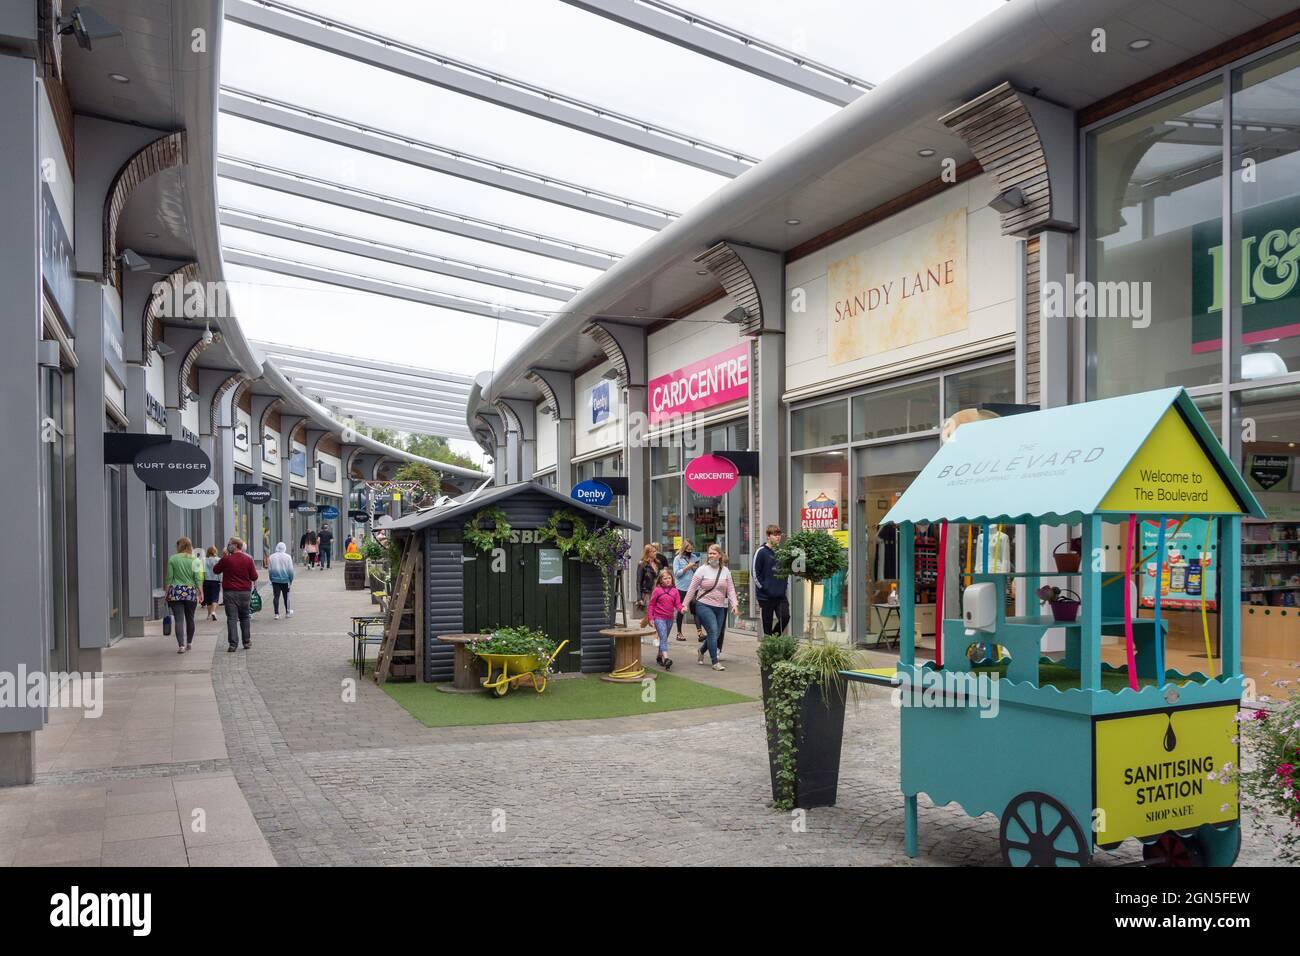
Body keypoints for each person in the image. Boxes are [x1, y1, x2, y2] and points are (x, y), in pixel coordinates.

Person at [683, 543, 738, 671]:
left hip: (720, 607)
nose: (711, 555)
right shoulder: (702, 570)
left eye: (714, 553)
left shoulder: (725, 571)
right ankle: (715, 662)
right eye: (709, 553)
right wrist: (685, 604)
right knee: (713, 631)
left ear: (720, 555)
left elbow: (731, 590)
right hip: (704, 605)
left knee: (716, 634)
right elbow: (692, 589)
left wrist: (734, 604)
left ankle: (702, 650)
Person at [214, 536, 258, 652]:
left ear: (235, 545)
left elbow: (216, 570)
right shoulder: (248, 559)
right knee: (245, 617)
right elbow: (254, 576)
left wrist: (224, 559)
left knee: (232, 618)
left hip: (230, 593)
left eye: (230, 544)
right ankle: (246, 641)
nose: (228, 546)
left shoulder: (226, 559)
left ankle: (233, 644)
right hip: (245, 593)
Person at [753, 524, 791, 639]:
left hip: (780, 595)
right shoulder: (761, 552)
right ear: (768, 536)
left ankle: (773, 640)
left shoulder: (782, 553)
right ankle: (769, 643)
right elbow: (755, 573)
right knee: (767, 624)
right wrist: (764, 588)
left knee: (785, 617)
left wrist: (785, 586)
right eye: (775, 535)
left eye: (779, 534)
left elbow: (786, 571)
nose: (778, 537)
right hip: (765, 596)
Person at [165, 537, 202, 654]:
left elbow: (169, 578)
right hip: (190, 592)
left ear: (179, 546)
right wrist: (201, 593)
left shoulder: (173, 559)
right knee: (190, 618)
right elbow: (197, 578)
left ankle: (181, 645)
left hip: (176, 592)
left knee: (179, 620)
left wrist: (167, 593)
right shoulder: (195, 560)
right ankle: (189, 643)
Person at [645, 568, 679, 670]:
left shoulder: (675, 591)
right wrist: (651, 618)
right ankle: (666, 659)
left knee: (664, 638)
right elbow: (651, 605)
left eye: (669, 578)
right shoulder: (657, 590)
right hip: (659, 618)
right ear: (660, 580)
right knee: (663, 637)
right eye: (665, 578)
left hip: (670, 619)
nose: (668, 580)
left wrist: (682, 609)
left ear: (672, 579)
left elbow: (677, 604)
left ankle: (659, 656)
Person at [672, 540, 700, 641]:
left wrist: (695, 568)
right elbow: (676, 574)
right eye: (688, 549)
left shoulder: (694, 557)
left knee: (696, 610)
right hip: (682, 588)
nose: (690, 551)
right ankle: (679, 633)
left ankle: (700, 632)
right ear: (684, 548)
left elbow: (698, 571)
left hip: (694, 587)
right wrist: (687, 567)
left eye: (691, 549)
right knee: (681, 610)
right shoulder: (677, 559)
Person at [268, 542, 295, 619]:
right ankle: (287, 612)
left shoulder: (271, 557)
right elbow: (291, 571)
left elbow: (270, 570)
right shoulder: (288, 557)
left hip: (275, 580)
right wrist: (291, 580)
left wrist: (271, 579)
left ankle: (276, 614)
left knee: (276, 596)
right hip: (285, 580)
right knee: (286, 597)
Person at [202, 545, 222, 621]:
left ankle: (208, 614)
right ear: (215, 552)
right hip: (216, 581)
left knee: (208, 598)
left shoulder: (204, 560)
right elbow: (220, 572)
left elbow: (202, 571)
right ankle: (213, 612)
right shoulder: (218, 560)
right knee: (215, 597)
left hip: (206, 581)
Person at [635, 544, 657, 609]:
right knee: (649, 613)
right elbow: (638, 582)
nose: (655, 553)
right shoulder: (642, 564)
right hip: (647, 594)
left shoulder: (658, 563)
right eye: (653, 551)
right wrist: (639, 598)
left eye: (655, 551)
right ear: (648, 553)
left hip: (658, 593)